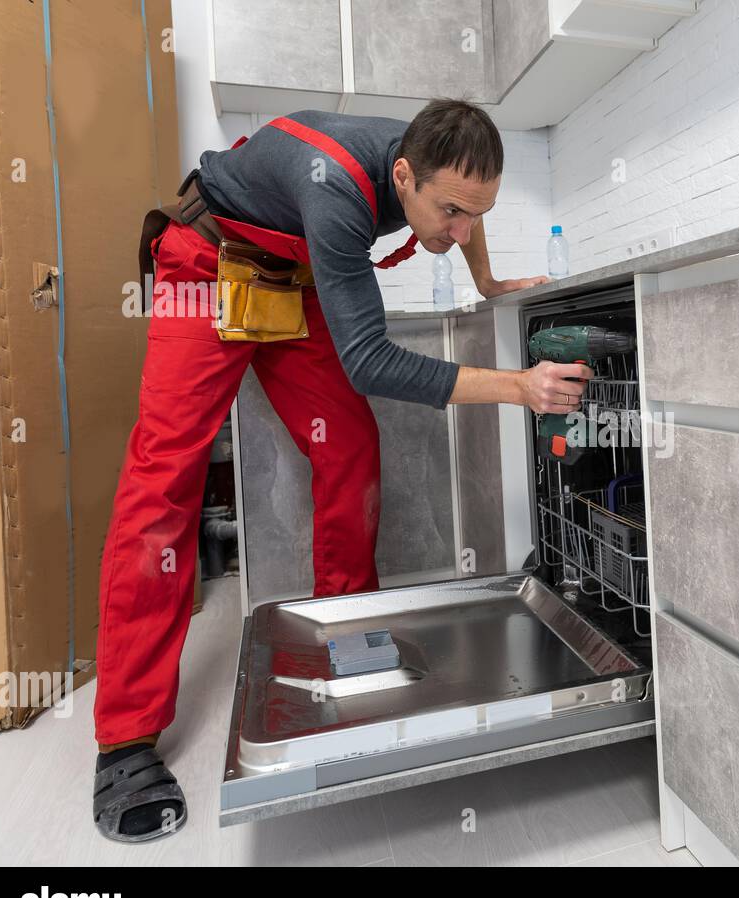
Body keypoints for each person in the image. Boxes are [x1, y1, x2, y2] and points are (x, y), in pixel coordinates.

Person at [91, 99, 590, 842]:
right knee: (164, 476)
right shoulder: (337, 188)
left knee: (347, 446)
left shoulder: (430, 161)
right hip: (206, 262)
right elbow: (371, 361)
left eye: (472, 214)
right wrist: (516, 386)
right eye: (448, 212)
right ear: (402, 175)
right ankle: (125, 739)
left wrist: (485, 283)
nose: (458, 230)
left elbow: (467, 210)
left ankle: (348, 636)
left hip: (289, 277)